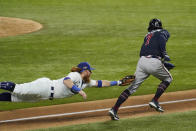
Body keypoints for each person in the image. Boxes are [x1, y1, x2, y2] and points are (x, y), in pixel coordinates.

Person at [108, 18, 173, 120]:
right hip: (154, 62)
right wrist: (165, 54)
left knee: (132, 87)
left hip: (142, 62)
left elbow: (146, 51)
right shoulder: (163, 32)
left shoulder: (147, 35)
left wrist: (162, 63)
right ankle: (155, 100)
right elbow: (161, 39)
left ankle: (114, 109)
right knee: (168, 79)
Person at [0, 62, 123, 102]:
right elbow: (66, 81)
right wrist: (79, 91)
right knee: (18, 89)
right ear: (85, 71)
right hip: (45, 87)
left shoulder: (86, 82)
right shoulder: (75, 75)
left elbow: (101, 83)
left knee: (15, 98)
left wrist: (117, 82)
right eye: (90, 71)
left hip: (44, 95)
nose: (91, 73)